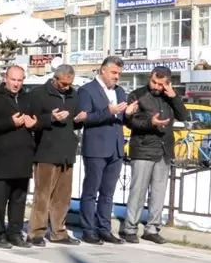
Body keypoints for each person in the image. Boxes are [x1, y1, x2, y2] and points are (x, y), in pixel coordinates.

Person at [122, 66, 187, 244]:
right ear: (150, 78)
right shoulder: (137, 94)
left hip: (164, 149)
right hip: (143, 148)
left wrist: (174, 96)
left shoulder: (170, 97)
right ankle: (130, 228)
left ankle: (152, 228)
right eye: (154, 82)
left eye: (160, 84)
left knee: (158, 192)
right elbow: (131, 121)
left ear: (167, 84)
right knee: (138, 191)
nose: (156, 86)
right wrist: (151, 122)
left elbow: (183, 115)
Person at [78, 56, 139, 244]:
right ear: (102, 70)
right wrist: (108, 112)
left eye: (119, 74)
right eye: (113, 73)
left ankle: (104, 228)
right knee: (91, 191)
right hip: (96, 148)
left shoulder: (120, 91)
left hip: (116, 149)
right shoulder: (87, 90)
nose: (116, 77)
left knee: (108, 192)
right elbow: (85, 118)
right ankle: (89, 230)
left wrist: (127, 114)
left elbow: (122, 120)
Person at [27, 64, 88, 246]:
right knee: (43, 194)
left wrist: (79, 120)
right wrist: (51, 118)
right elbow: (32, 121)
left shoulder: (73, 94)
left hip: (67, 151)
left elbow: (74, 123)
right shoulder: (39, 93)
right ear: (55, 79)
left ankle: (59, 232)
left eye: (69, 84)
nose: (66, 87)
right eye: (63, 84)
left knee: (63, 196)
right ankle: (36, 232)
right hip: (46, 150)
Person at [0, 65, 37, 248]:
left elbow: (37, 120)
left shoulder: (28, 97)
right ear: (5, 78)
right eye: (13, 79)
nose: (16, 84)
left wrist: (34, 123)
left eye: (20, 80)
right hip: (3, 156)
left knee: (19, 198)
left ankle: (15, 233)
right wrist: (10, 123)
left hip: (23, 155)